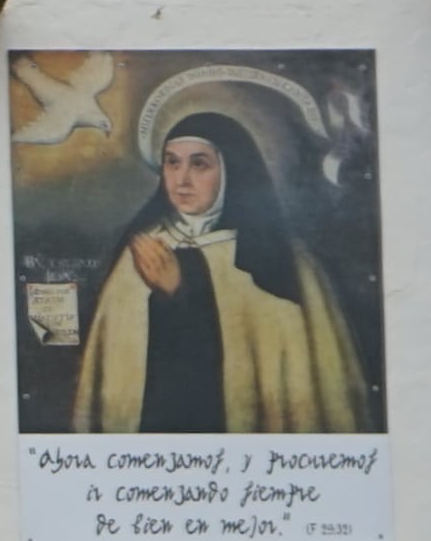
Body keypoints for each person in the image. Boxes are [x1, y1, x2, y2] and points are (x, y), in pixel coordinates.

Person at [63, 109, 371, 436]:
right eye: (172, 162)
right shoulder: (141, 253)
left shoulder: (281, 261)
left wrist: (182, 292)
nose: (182, 180)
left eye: (199, 164)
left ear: (230, 170)